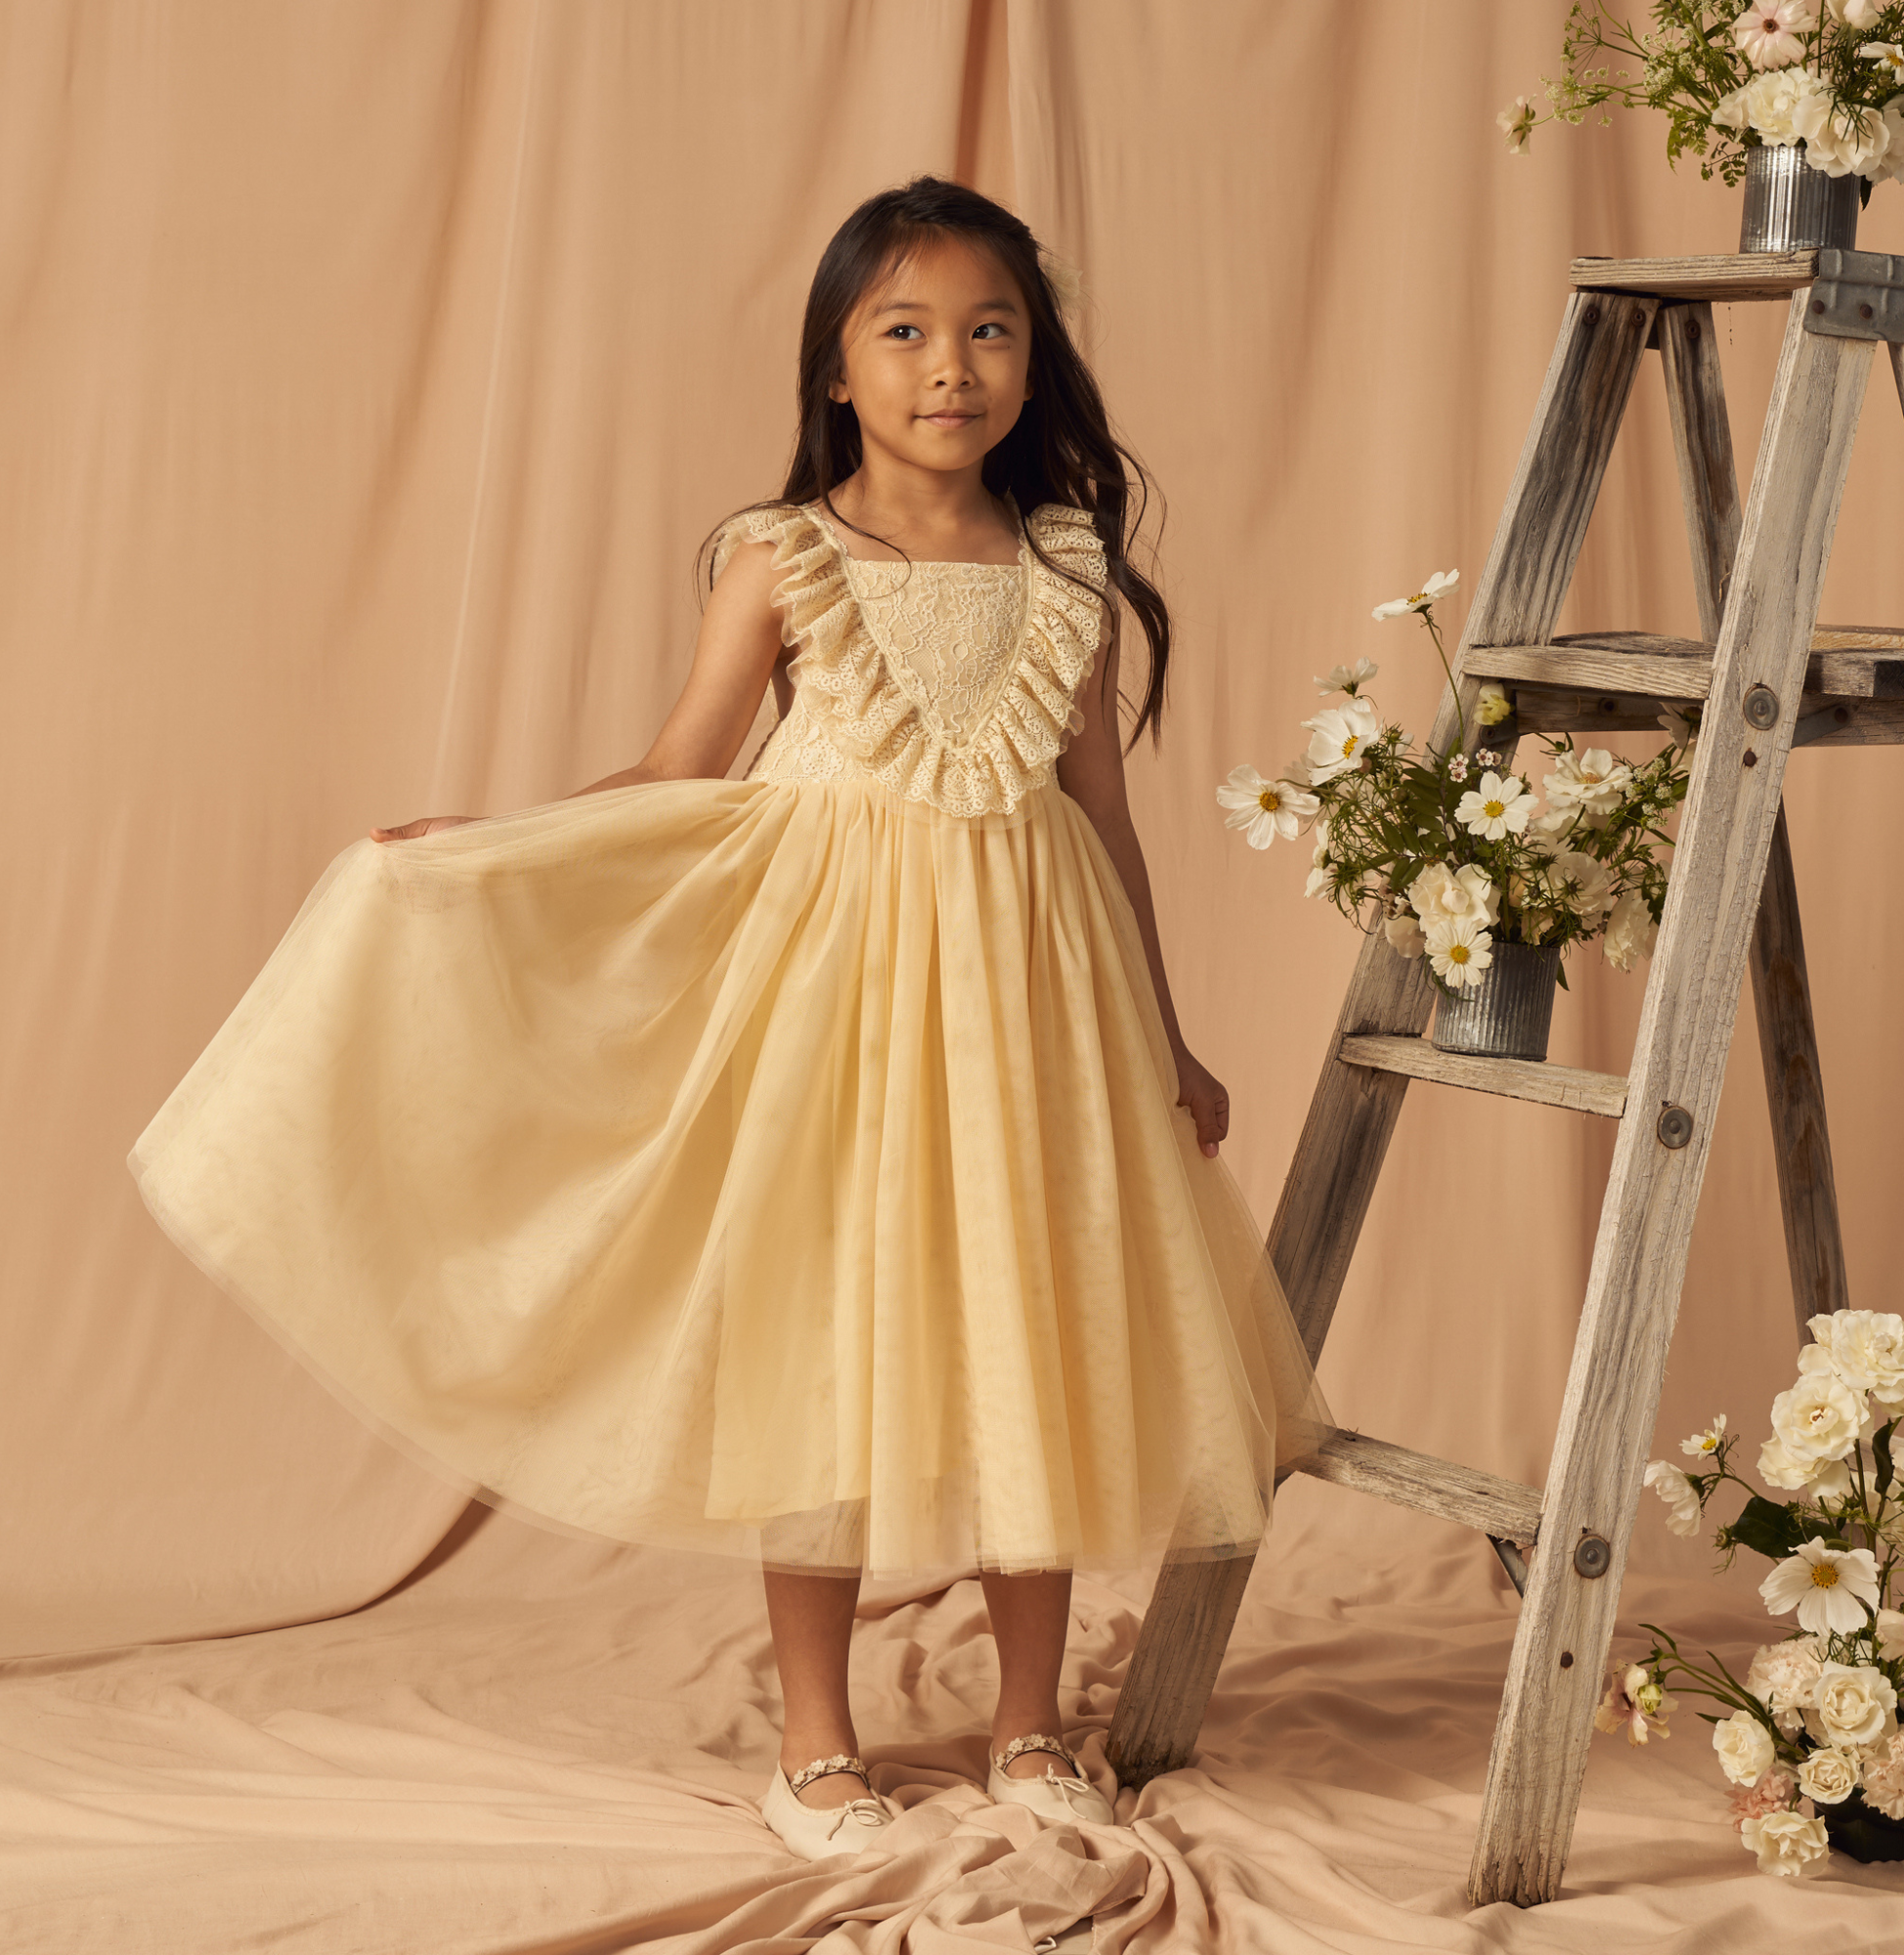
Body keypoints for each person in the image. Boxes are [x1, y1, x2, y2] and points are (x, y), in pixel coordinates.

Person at [130, 175, 1330, 1863]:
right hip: (835, 1006)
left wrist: (1168, 1032)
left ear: (1033, 357)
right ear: (837, 368)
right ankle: (816, 1743)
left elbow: (1105, 820)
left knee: (1035, 1328)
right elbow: (681, 764)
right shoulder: (784, 557)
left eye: (989, 330)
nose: (950, 367)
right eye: (903, 332)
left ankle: (1028, 1726)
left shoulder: (1064, 562)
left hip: (1035, 1008)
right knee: (822, 1349)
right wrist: (490, 840)